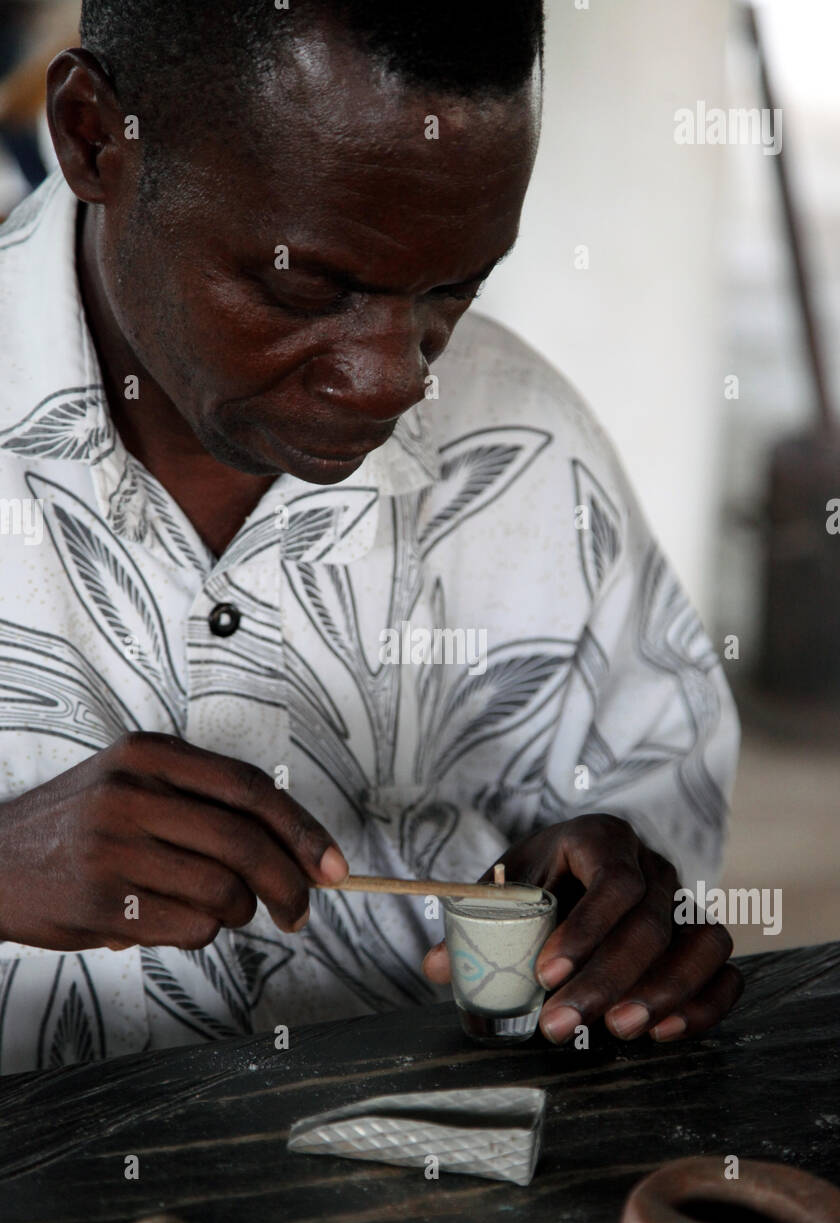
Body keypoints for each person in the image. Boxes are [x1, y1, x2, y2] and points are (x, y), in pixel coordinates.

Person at [0, 0, 741, 1075]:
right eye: (305, 284)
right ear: (93, 135)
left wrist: (613, 917)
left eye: (452, 288)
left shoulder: (526, 453)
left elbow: (651, 831)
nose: (396, 378)